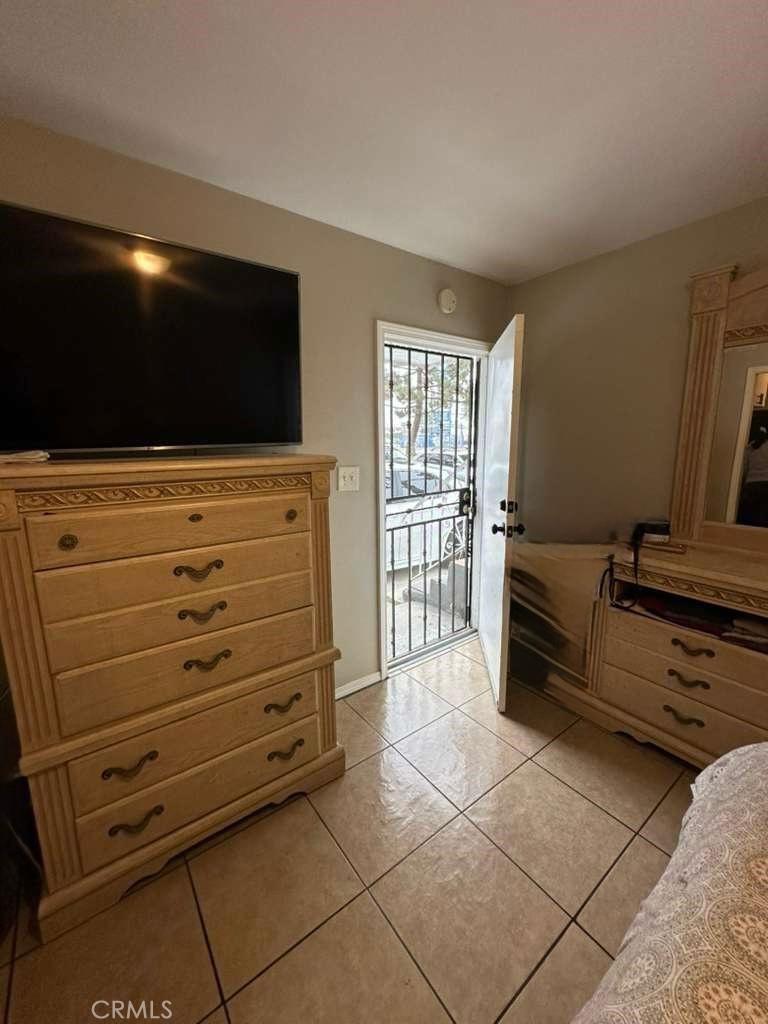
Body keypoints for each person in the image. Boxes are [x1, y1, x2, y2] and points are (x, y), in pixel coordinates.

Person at [737, 426, 768, 526]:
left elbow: (745, 468)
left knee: (750, 515)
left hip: (750, 484)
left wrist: (744, 483)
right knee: (763, 516)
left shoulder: (749, 447)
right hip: (765, 483)